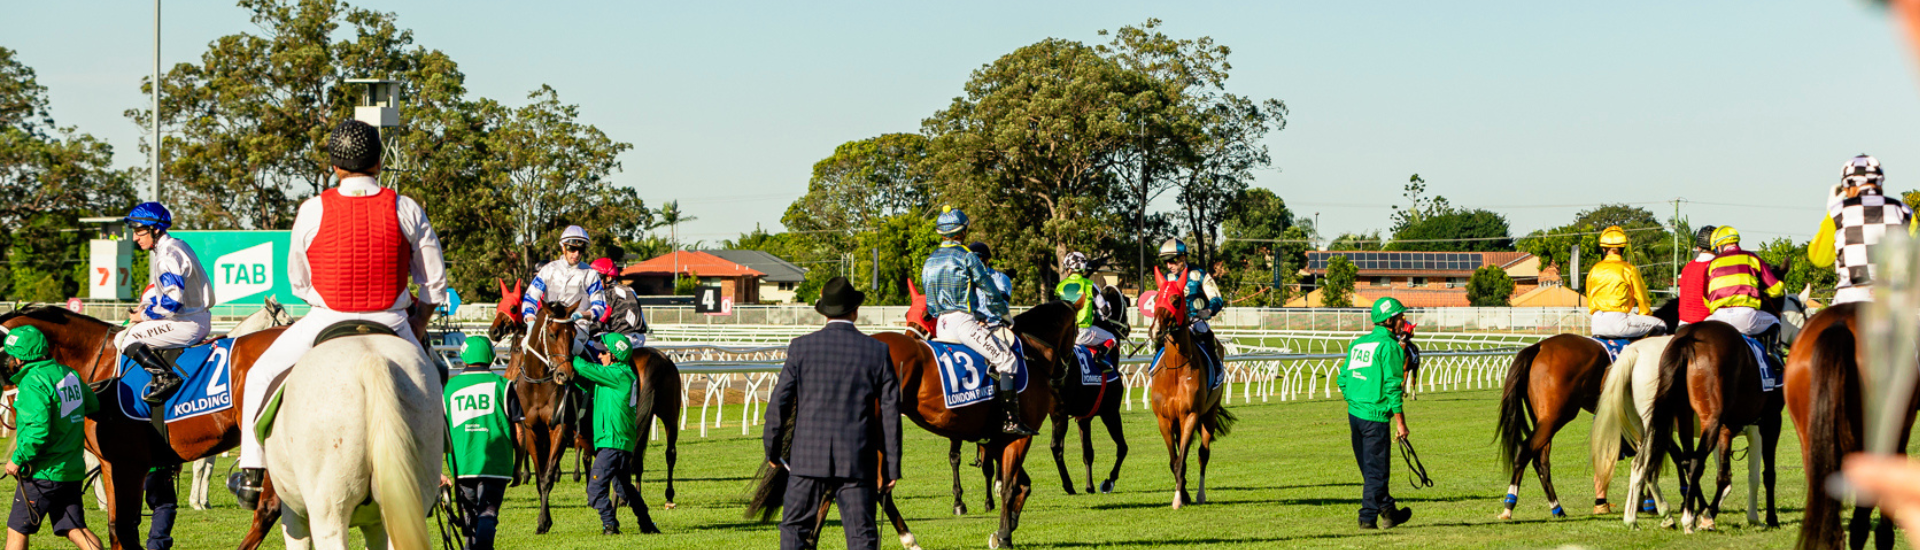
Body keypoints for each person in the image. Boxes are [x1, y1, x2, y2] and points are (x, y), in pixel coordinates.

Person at [233, 119, 449, 509]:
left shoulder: (312, 209)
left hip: (326, 317)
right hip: (394, 321)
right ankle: (434, 467)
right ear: (379, 163)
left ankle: (252, 470)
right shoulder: (406, 207)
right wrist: (418, 323)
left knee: (262, 373)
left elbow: (298, 281)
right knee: (434, 377)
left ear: (334, 164)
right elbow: (433, 283)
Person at [763, 276, 901, 550]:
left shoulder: (800, 348)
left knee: (794, 530)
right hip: (857, 460)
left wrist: (773, 450)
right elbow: (890, 414)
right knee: (862, 535)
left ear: (824, 312)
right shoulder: (877, 351)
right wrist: (891, 466)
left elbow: (778, 403)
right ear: (855, 311)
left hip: (807, 459)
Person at [921, 206, 1030, 436]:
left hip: (941, 325)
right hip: (962, 324)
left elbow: (929, 298)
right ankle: (1010, 420)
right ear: (963, 232)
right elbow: (988, 288)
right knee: (1006, 360)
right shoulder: (967, 256)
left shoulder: (930, 259)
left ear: (942, 233)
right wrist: (1003, 314)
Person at [4, 326, 104, 550]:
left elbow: (37, 431)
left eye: (12, 354)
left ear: (20, 357)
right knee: (75, 528)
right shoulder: (69, 374)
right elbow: (93, 404)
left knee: (17, 529)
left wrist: (17, 459)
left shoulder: (32, 382)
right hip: (70, 469)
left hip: (43, 473)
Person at [116, 202, 215, 404]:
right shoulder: (177, 245)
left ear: (156, 229)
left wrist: (141, 316)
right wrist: (145, 306)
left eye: (140, 232)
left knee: (123, 339)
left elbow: (172, 303)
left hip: (186, 323)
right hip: (195, 317)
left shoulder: (167, 257)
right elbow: (162, 291)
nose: (135, 238)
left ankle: (164, 376)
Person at [1337, 298, 1414, 530]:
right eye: (1400, 317)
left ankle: (1389, 512)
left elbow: (1342, 378)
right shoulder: (1390, 347)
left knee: (1370, 468)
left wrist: (1354, 399)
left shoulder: (1358, 344)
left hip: (1355, 414)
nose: (1403, 321)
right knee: (1376, 471)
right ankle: (1367, 518)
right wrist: (1401, 423)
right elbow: (1393, 387)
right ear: (1389, 320)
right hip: (1375, 417)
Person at [573, 333, 656, 534]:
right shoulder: (616, 375)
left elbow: (584, 368)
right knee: (624, 488)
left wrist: (569, 354)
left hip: (612, 443)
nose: (599, 355)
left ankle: (610, 525)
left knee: (594, 489)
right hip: (619, 443)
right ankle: (646, 523)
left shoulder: (618, 375)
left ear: (615, 355)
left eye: (602, 352)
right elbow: (589, 384)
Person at [443, 335, 519, 550]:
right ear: (492, 358)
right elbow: (519, 431)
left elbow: (442, 431)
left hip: (462, 463)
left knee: (469, 516)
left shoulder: (450, 387)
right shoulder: (504, 386)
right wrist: (519, 462)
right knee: (488, 513)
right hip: (497, 463)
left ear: (464, 358)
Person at [1811, 154, 1917, 305]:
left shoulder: (1837, 212)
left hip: (1849, 295)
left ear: (1847, 186)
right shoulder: (1905, 211)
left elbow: (1819, 259)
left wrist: (1830, 212)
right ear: (1879, 182)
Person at [522, 226, 607, 356]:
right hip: (548, 324)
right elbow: (530, 298)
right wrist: (530, 321)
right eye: (572, 248)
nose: (576, 253)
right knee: (524, 344)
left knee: (571, 348)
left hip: (577, 327)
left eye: (581, 249)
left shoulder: (591, 274)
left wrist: (582, 314)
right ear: (563, 247)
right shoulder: (548, 269)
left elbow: (600, 306)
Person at [1702, 226, 1784, 337]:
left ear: (1719, 246)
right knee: (1775, 321)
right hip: (1746, 318)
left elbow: (1706, 300)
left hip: (1718, 318)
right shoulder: (1752, 258)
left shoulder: (1712, 264)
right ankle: (1773, 352)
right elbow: (1776, 289)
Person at [1585, 226, 1665, 339]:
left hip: (1596, 323)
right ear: (1624, 248)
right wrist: (1644, 314)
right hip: (1618, 322)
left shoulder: (1594, 269)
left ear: (1603, 249)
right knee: (1661, 324)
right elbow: (1642, 299)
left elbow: (1590, 297)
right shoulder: (1629, 269)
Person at [1154, 238, 1225, 365]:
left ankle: (1216, 367)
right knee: (1158, 340)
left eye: (1172, 261)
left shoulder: (1201, 275)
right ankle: (1154, 367)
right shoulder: (1166, 278)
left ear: (1183, 258)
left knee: (1207, 335)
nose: (1169, 265)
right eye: (1166, 262)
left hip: (1195, 319)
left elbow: (1216, 298)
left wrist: (1209, 310)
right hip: (1173, 322)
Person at [1055, 251, 1117, 353]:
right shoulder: (1089, 285)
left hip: (1063, 333)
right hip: (1083, 332)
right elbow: (1104, 311)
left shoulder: (1059, 286)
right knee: (1111, 337)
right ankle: (1100, 358)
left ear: (1069, 269)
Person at [591, 258, 648, 349]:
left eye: (596, 278)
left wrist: (588, 329)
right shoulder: (629, 289)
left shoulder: (607, 293)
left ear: (608, 278)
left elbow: (602, 320)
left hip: (622, 339)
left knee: (589, 344)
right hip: (640, 338)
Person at [1676, 225, 1717, 326]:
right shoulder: (1717, 267)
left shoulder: (1687, 267)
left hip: (1682, 324)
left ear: (1698, 248)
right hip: (1706, 324)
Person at [967, 242, 1013, 323]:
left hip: (993, 324)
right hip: (968, 323)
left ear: (987, 260)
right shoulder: (964, 278)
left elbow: (1000, 306)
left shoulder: (1000, 278)